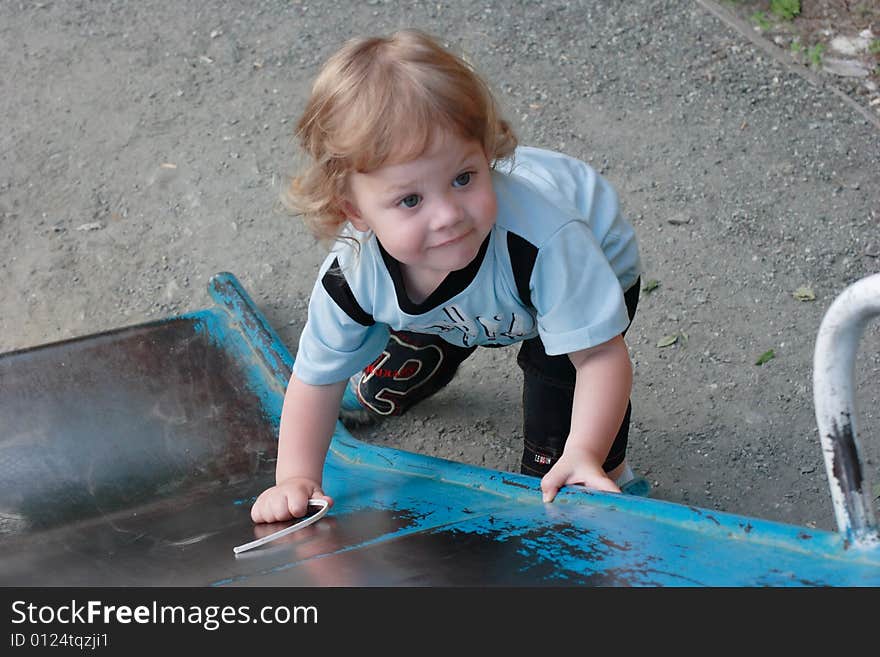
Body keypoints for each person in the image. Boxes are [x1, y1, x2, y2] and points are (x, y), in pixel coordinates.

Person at [250, 28, 647, 524]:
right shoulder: (352, 277)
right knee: (427, 310)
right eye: (410, 199)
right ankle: (435, 340)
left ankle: (612, 470)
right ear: (354, 210)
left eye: (464, 178)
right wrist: (295, 477)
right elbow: (314, 379)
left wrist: (586, 451)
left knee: (556, 403)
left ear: (486, 154)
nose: (448, 215)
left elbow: (601, 358)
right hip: (477, 293)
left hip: (588, 268)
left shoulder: (548, 240)